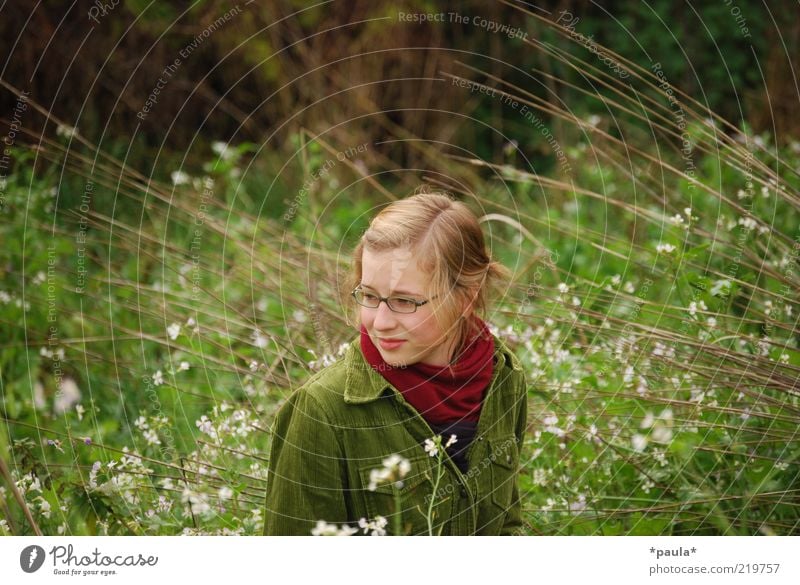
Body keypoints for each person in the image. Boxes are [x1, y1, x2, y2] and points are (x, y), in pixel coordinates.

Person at [262, 190, 528, 535]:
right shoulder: (321, 411)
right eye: (369, 295)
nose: (379, 322)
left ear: (466, 297)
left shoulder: (503, 378)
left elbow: (507, 524)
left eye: (405, 301)